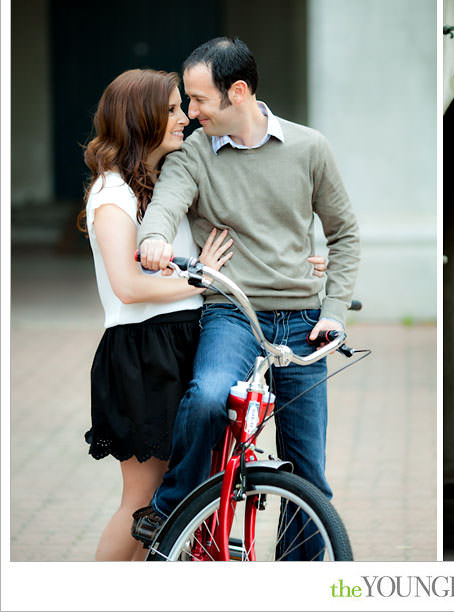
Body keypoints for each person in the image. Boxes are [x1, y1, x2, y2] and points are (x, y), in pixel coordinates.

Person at [132, 37, 360, 557]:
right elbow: (166, 206)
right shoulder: (193, 155)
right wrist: (153, 238)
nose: (189, 114)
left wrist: (335, 312)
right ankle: (171, 511)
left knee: (310, 475)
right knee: (210, 397)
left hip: (303, 321)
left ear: (237, 93)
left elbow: (345, 233)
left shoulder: (309, 148)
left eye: (198, 100)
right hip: (232, 314)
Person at [77, 69, 235, 560]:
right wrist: (196, 278)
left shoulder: (162, 182)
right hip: (142, 351)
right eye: (169, 109)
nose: (183, 117)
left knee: (172, 501)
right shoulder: (112, 193)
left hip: (181, 341)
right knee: (142, 502)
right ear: (139, 119)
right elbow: (127, 286)